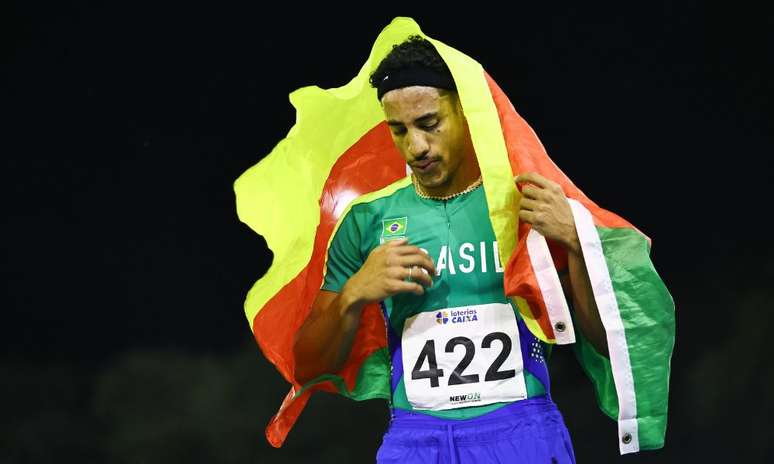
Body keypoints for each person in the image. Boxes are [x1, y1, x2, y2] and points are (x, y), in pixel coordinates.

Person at [292, 35, 607, 464]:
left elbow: (604, 342)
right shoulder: (367, 223)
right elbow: (309, 366)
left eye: (429, 123)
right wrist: (352, 296)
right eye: (399, 130)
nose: (415, 147)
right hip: (416, 440)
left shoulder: (525, 202)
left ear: (464, 110)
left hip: (519, 431)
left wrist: (575, 243)